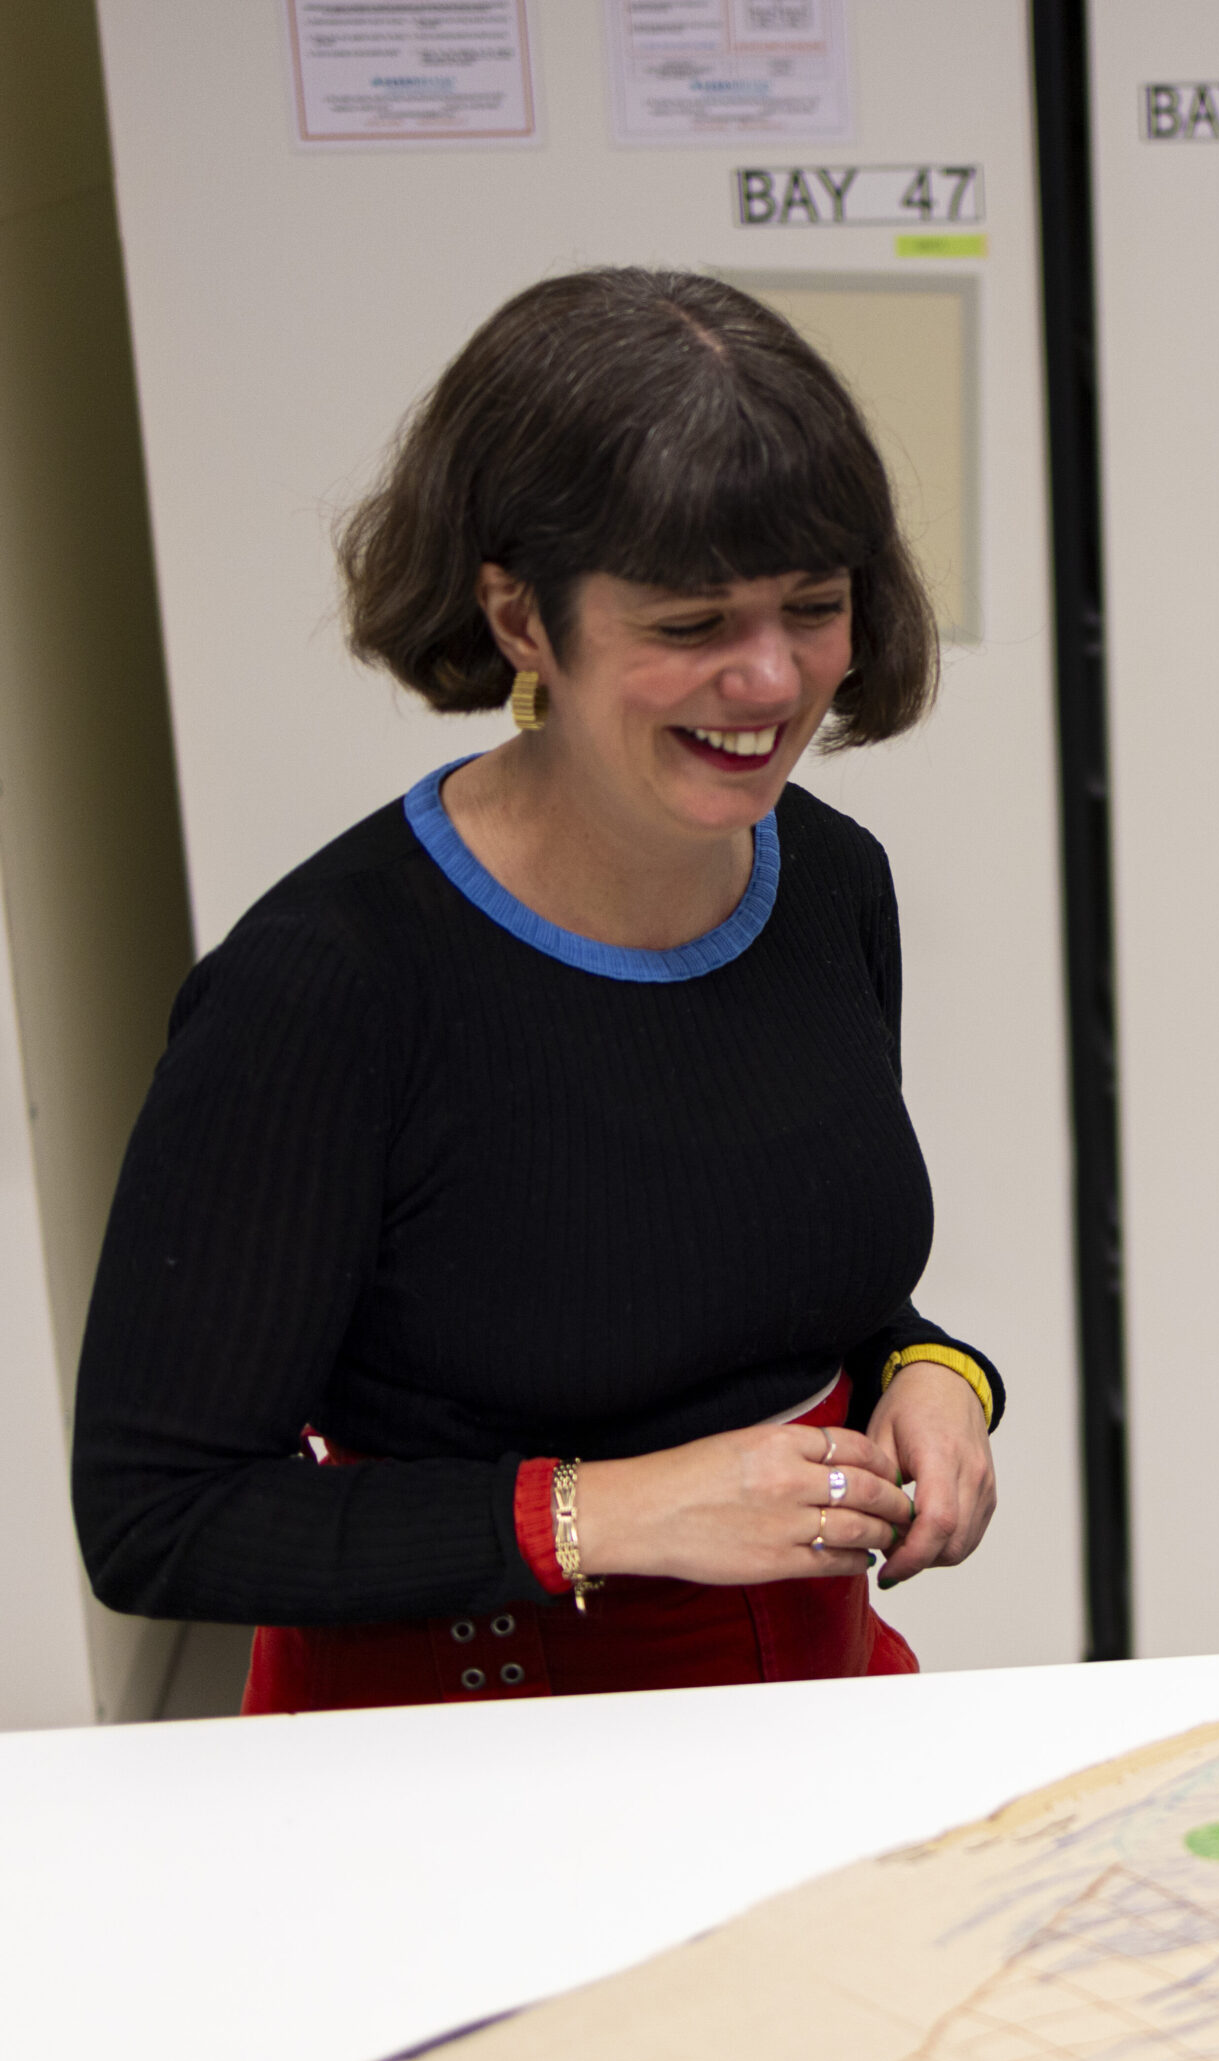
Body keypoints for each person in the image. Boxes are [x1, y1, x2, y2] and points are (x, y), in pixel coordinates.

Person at [73, 268, 1001, 1709]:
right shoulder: (327, 990)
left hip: (804, 1699)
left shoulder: (826, 880)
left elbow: (764, 1267)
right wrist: (607, 1514)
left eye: (814, 607)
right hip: (463, 1741)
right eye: (691, 625)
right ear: (520, 618)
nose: (770, 681)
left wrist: (932, 1372)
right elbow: (159, 1518)